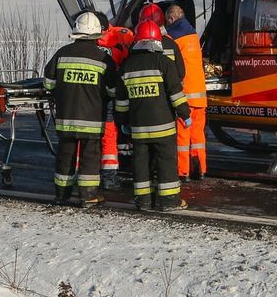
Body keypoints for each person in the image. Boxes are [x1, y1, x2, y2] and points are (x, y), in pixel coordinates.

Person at [115, 19, 190, 211]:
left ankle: (143, 201)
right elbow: (175, 93)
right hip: (163, 127)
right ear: (157, 41)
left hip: (138, 128)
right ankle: (170, 201)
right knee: (166, 162)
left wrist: (123, 123)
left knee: (140, 163)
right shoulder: (164, 63)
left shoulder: (127, 66)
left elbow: (121, 102)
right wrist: (185, 114)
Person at [44, 11, 117, 206]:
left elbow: (49, 84)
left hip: (66, 119)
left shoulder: (61, 54)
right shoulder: (103, 59)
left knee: (65, 156)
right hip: (92, 121)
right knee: (90, 159)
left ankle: (61, 195)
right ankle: (88, 196)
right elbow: (112, 90)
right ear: (95, 35)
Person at [165, 2, 208, 181]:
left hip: (186, 95)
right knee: (198, 135)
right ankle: (200, 170)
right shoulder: (193, 35)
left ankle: (183, 172)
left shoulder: (173, 38)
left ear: (172, 18)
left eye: (167, 21)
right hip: (200, 95)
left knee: (183, 136)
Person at [94, 11, 134, 190]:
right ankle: (108, 177)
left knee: (104, 135)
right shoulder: (121, 37)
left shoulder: (90, 43)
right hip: (109, 94)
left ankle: (101, 175)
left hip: (96, 96)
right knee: (109, 135)